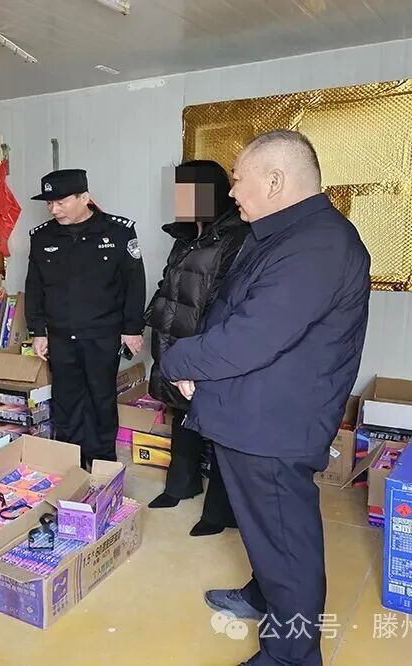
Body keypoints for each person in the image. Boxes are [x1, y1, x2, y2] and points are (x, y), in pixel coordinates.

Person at [160, 130, 370, 666]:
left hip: (274, 424)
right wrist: (202, 370)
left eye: (238, 179)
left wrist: (180, 361)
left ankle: (291, 655)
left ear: (275, 181)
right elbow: (235, 314)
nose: (231, 191)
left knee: (285, 540)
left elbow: (251, 337)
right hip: (251, 411)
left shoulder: (319, 245)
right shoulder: (282, 233)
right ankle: (265, 596)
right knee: (266, 529)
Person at [145, 161, 248, 539]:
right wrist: (151, 317)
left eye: (191, 193)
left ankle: (220, 510)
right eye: (180, 192)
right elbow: (169, 284)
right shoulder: (185, 236)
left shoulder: (236, 237)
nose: (182, 200)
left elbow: (226, 300)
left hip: (206, 345)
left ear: (215, 194)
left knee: (218, 425)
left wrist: (200, 351)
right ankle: (181, 485)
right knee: (182, 416)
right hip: (175, 340)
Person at [25, 169, 145, 469]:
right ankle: (72, 462)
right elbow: (34, 286)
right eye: (49, 203)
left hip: (102, 333)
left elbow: (134, 283)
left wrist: (132, 328)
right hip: (60, 335)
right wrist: (38, 331)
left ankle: (102, 460)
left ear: (85, 198)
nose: (54, 210)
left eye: (61, 202)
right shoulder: (42, 237)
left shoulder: (118, 232)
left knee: (100, 398)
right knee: (66, 399)